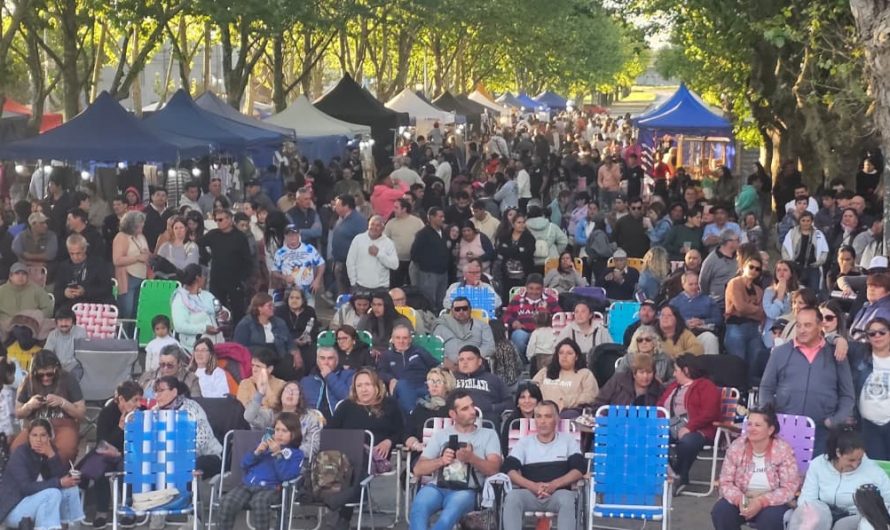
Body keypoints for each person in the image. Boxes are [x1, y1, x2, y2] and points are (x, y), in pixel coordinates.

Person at [759, 306, 855, 455]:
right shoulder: (780, 352)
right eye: (799, 325)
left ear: (820, 326)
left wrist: (834, 421)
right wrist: (770, 417)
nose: (802, 330)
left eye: (807, 325)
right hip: (785, 428)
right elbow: (766, 388)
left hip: (822, 431)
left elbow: (847, 395)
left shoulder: (836, 353)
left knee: (816, 477)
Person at [409, 389, 503, 530]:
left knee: (448, 517)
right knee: (419, 508)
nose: (472, 411)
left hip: (466, 490)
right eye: (465, 408)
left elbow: (494, 469)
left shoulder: (488, 435)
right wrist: (441, 460)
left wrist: (472, 458)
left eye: (472, 406)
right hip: (438, 487)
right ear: (453, 414)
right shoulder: (441, 435)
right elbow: (418, 469)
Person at [711, 405, 801, 530]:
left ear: (770, 430)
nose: (751, 429)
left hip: (772, 502)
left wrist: (761, 501)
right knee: (721, 511)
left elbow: (790, 487)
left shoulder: (783, 450)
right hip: (743, 497)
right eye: (749, 424)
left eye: (757, 425)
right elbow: (725, 481)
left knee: (771, 519)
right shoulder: (737, 446)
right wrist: (741, 500)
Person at [502, 400, 586, 530]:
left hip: (558, 494)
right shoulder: (525, 443)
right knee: (512, 497)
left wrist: (555, 484)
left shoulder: (567, 441)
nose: (542, 421)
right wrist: (532, 486)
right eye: (539, 416)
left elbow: (580, 469)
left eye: (548, 416)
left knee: (568, 499)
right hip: (530, 493)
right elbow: (509, 468)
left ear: (557, 419)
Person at [214, 412, 303, 530]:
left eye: (284, 431)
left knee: (259, 502)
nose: (279, 434)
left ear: (294, 433)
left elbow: (286, 476)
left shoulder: (296, 454)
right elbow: (244, 464)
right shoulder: (265, 447)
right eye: (277, 430)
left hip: (272, 488)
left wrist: (277, 454)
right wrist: (257, 452)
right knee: (227, 502)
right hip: (248, 485)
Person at [787, 427, 890, 529]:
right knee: (794, 516)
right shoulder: (818, 465)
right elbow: (807, 498)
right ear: (838, 453)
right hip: (825, 512)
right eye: (851, 460)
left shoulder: (873, 470)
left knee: (842, 525)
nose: (855, 465)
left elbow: (887, 500)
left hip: (855, 517)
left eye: (859, 459)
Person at [0, 418, 85, 530]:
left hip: (38, 503)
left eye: (43, 435)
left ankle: (65, 526)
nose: (38, 439)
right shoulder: (20, 453)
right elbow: (26, 487)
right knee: (52, 493)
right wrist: (59, 482)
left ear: (50, 437)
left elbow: (61, 478)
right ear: (29, 437)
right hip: (13, 508)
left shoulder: (50, 450)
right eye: (34, 435)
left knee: (70, 489)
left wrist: (51, 455)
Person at [82, 381, 143, 529]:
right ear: (121, 399)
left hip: (132, 454)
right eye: (135, 400)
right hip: (109, 452)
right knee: (102, 461)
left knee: (127, 463)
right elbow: (103, 442)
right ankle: (101, 510)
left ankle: (129, 509)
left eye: (140, 400)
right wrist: (120, 428)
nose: (139, 404)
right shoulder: (107, 413)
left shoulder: (141, 414)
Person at [658, 354, 721, 493]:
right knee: (651, 436)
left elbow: (710, 412)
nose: (674, 374)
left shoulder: (705, 386)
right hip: (669, 425)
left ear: (686, 370)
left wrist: (689, 427)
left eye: (676, 370)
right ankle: (670, 473)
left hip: (698, 428)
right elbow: (660, 406)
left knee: (688, 441)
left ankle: (679, 475)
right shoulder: (673, 387)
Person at [12, 350, 86, 464]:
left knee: (64, 452)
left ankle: (57, 479)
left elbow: (81, 413)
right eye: (40, 375)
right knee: (16, 450)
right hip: (35, 426)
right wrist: (29, 405)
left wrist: (62, 403)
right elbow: (18, 413)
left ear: (57, 369)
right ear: (34, 372)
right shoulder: (28, 380)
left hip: (63, 424)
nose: (45, 378)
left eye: (50, 374)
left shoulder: (68, 378)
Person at [152, 375, 223, 477]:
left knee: (184, 465)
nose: (156, 396)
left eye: (161, 391)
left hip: (205, 456)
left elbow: (203, 437)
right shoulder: (154, 412)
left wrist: (180, 454)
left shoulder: (191, 408)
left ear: (174, 392)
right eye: (155, 391)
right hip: (169, 459)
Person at [197, 209, 252, 323]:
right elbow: (199, 244)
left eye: (221, 219)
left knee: (238, 310)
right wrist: (206, 256)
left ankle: (237, 335)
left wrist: (243, 279)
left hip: (235, 280)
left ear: (229, 219)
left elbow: (247, 260)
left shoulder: (240, 237)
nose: (218, 222)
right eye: (216, 220)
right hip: (217, 279)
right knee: (216, 309)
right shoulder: (213, 234)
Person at [851, 317, 890, 460]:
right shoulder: (859, 354)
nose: (877, 336)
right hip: (868, 426)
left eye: (882, 332)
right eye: (872, 333)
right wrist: (838, 340)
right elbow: (833, 340)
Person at [725, 255, 767, 378]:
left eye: (757, 269)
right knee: (738, 363)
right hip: (736, 327)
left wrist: (749, 308)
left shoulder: (759, 290)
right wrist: (754, 309)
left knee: (754, 363)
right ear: (744, 267)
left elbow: (762, 313)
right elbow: (740, 307)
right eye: (751, 267)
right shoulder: (734, 283)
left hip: (754, 329)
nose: (754, 271)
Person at [532, 339, 598, 416]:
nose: (564, 356)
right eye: (561, 353)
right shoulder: (545, 371)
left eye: (569, 353)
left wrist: (566, 402)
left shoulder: (585, 374)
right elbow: (532, 389)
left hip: (570, 412)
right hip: (542, 411)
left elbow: (590, 396)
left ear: (576, 357)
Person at [234, 293, 293, 376]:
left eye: (273, 305)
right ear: (259, 308)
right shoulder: (245, 324)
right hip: (256, 358)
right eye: (269, 306)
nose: (273, 308)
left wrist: (296, 353)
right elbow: (238, 347)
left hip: (278, 355)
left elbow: (289, 341)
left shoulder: (279, 322)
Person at [403, 367, 456, 460]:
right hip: (423, 456)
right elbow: (407, 434)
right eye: (431, 381)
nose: (434, 385)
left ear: (448, 385)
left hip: (450, 456)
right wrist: (416, 444)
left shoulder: (455, 407)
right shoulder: (420, 408)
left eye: (439, 381)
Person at [170, 264, 222, 352]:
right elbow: (179, 326)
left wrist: (225, 314)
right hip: (193, 348)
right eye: (204, 276)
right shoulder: (180, 300)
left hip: (216, 344)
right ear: (198, 278)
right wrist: (204, 329)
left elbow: (219, 308)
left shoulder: (207, 295)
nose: (205, 279)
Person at [270, 225, 324, 308]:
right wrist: (284, 277)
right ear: (285, 236)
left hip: (308, 289)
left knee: (309, 313)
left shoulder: (309, 249)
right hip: (290, 290)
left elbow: (321, 264)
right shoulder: (280, 252)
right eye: (289, 235)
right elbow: (274, 271)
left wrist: (317, 280)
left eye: (294, 234)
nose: (292, 237)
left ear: (299, 235)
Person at [453, 345, 512, 421]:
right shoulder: (450, 378)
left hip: (487, 420)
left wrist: (492, 408)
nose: (465, 362)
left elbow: (509, 403)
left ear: (479, 361)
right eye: (461, 360)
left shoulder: (494, 379)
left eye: (469, 359)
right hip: (456, 421)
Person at [669, 271, 722, 355]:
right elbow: (667, 320)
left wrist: (702, 322)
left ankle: (712, 367)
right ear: (683, 285)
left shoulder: (708, 300)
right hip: (682, 334)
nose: (694, 287)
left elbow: (718, 320)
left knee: (710, 339)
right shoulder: (674, 302)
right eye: (691, 284)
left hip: (702, 332)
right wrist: (684, 323)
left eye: (696, 284)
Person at [327, 194, 368, 299]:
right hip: (339, 262)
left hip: (351, 265)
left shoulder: (359, 221)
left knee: (351, 293)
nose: (335, 207)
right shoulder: (341, 218)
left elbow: (363, 242)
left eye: (337, 205)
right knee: (342, 294)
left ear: (346, 206)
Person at [411, 207, 452, 311]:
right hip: (429, 274)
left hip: (443, 273)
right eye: (440, 216)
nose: (443, 219)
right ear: (431, 217)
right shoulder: (423, 234)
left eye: (443, 216)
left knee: (441, 301)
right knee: (429, 301)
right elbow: (414, 253)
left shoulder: (444, 232)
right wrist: (427, 263)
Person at [434, 297, 495, 366]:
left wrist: (471, 358)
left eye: (464, 308)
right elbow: (435, 348)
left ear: (470, 309)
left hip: (474, 366)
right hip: (448, 367)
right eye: (457, 309)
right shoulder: (442, 326)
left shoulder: (483, 326)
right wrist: (446, 362)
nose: (461, 312)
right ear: (452, 311)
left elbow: (490, 347)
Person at [111, 210, 149, 319]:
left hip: (141, 277)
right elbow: (117, 260)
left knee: (137, 311)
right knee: (127, 310)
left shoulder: (141, 236)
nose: (141, 228)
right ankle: (123, 333)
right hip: (128, 278)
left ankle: (134, 334)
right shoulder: (121, 237)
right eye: (138, 226)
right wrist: (137, 258)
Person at [300, 346, 354, 421]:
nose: (326, 362)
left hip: (339, 423)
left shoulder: (348, 375)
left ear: (337, 361)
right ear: (317, 361)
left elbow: (348, 398)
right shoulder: (306, 381)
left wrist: (329, 376)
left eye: (330, 358)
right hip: (313, 424)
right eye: (322, 358)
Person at [595, 352, 665, 407]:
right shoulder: (618, 380)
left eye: (649, 372)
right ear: (634, 373)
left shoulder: (659, 389)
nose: (645, 376)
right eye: (641, 372)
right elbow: (599, 402)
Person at [346, 215, 398, 291]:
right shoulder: (358, 239)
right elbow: (350, 262)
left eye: (377, 225)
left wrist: (379, 254)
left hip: (381, 287)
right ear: (368, 226)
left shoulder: (388, 243)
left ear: (383, 228)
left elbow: (394, 265)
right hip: (360, 286)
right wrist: (353, 282)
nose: (374, 228)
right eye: (372, 224)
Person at [782, 210, 829, 291]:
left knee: (814, 290)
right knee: (795, 289)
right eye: (803, 220)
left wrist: (819, 262)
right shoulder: (792, 233)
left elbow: (824, 250)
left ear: (811, 221)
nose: (806, 223)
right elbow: (785, 248)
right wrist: (789, 262)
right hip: (796, 267)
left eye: (808, 221)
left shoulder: (818, 234)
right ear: (799, 221)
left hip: (813, 267)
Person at [496, 212, 537, 302]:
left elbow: (528, 254)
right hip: (507, 276)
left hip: (524, 275)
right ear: (513, 224)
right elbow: (501, 250)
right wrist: (518, 250)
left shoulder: (529, 238)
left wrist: (510, 250)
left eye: (523, 222)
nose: (522, 225)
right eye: (519, 222)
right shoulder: (505, 236)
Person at [384, 198, 425, 286]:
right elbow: (384, 240)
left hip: (413, 261)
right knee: (395, 285)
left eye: (396, 207)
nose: (393, 210)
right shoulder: (390, 223)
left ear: (404, 209)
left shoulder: (417, 222)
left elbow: (424, 238)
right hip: (396, 261)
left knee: (412, 285)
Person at [700, 230, 741, 310]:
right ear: (729, 242)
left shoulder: (739, 257)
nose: (739, 242)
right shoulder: (711, 261)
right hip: (718, 303)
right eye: (737, 240)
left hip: (736, 301)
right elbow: (703, 281)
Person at [762, 260, 799, 348]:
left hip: (791, 333)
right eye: (778, 270)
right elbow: (772, 314)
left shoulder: (799, 291)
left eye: (785, 270)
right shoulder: (769, 291)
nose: (781, 273)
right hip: (773, 336)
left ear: (791, 273)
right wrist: (780, 295)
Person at [499, 381, 544, 453]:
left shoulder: (545, 421)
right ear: (517, 403)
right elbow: (506, 450)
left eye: (531, 397)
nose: (527, 401)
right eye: (523, 397)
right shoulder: (511, 422)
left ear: (538, 401)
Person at [43, 308, 87, 378]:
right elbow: (47, 354)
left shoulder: (80, 333)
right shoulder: (53, 334)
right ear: (56, 322)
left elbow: (82, 357)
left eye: (67, 320)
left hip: (74, 367)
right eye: (60, 321)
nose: (64, 324)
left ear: (73, 321)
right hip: (57, 367)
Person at [851, 272, 890, 342]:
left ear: (888, 291)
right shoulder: (866, 306)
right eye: (869, 286)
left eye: (877, 286)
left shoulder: (884, 311)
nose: (871, 289)